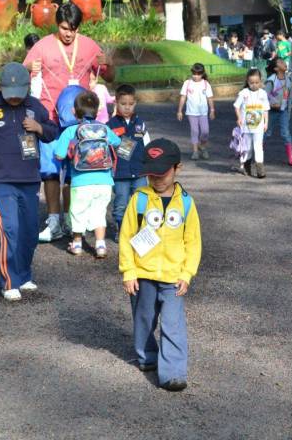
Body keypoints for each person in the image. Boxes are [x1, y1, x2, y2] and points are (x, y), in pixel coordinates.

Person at [23, 2, 115, 243]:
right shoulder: (42, 46)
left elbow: (110, 76)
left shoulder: (90, 46)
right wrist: (29, 68)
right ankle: (54, 221)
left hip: (80, 122)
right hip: (49, 119)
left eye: (73, 29)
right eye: (65, 28)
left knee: (76, 171)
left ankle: (72, 220)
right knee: (51, 171)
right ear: (57, 25)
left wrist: (108, 63)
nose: (69, 34)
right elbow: (22, 74)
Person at [0, 63, 58, 301]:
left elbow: (53, 132)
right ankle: (9, 282)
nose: (15, 99)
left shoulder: (35, 106)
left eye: (19, 94)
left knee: (29, 231)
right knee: (9, 228)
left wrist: (39, 128)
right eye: (11, 94)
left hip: (29, 179)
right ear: (1, 87)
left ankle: (24, 275)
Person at [119, 138, 202, 392]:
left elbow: (193, 242)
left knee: (173, 324)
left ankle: (173, 372)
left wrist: (187, 273)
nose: (156, 179)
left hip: (173, 276)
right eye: (151, 174)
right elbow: (126, 236)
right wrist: (129, 271)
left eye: (162, 173)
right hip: (142, 274)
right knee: (144, 318)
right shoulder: (139, 200)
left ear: (177, 168)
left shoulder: (186, 203)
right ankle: (147, 356)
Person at [54, 91, 121, 258]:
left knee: (77, 211)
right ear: (97, 111)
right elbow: (118, 142)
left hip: (80, 181)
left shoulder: (71, 131)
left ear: (73, 111)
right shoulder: (104, 129)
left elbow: (59, 155)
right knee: (99, 212)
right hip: (104, 180)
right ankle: (100, 245)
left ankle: (77, 243)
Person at [108, 84, 150, 237]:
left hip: (139, 171)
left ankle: (139, 229)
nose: (127, 107)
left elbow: (147, 144)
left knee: (142, 202)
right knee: (121, 203)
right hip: (120, 173)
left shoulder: (140, 123)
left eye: (131, 104)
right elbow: (107, 150)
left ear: (135, 103)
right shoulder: (110, 125)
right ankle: (121, 229)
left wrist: (149, 164)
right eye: (123, 104)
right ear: (116, 103)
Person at [233, 68, 270, 178]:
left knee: (258, 147)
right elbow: (236, 106)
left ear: (260, 81)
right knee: (248, 148)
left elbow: (265, 109)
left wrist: (266, 123)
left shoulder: (263, 93)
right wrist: (239, 118)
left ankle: (260, 169)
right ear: (247, 82)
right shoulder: (244, 93)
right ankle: (247, 166)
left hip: (259, 127)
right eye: (251, 83)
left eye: (257, 82)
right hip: (246, 127)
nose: (254, 85)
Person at [177, 63, 215, 160]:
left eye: (198, 74)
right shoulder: (187, 83)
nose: (196, 76)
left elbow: (210, 98)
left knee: (205, 131)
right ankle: (195, 151)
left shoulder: (206, 84)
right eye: (194, 74)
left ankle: (202, 146)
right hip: (191, 112)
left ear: (202, 74)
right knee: (194, 131)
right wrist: (179, 111)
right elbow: (183, 97)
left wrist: (212, 110)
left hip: (203, 112)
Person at [264, 58, 292, 166]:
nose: (284, 63)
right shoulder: (271, 81)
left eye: (283, 61)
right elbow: (264, 97)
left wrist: (288, 112)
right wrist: (270, 105)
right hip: (271, 111)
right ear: (276, 69)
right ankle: (259, 154)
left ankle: (291, 157)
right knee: (266, 133)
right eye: (280, 62)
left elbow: (290, 99)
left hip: (283, 111)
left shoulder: (288, 81)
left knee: (285, 133)